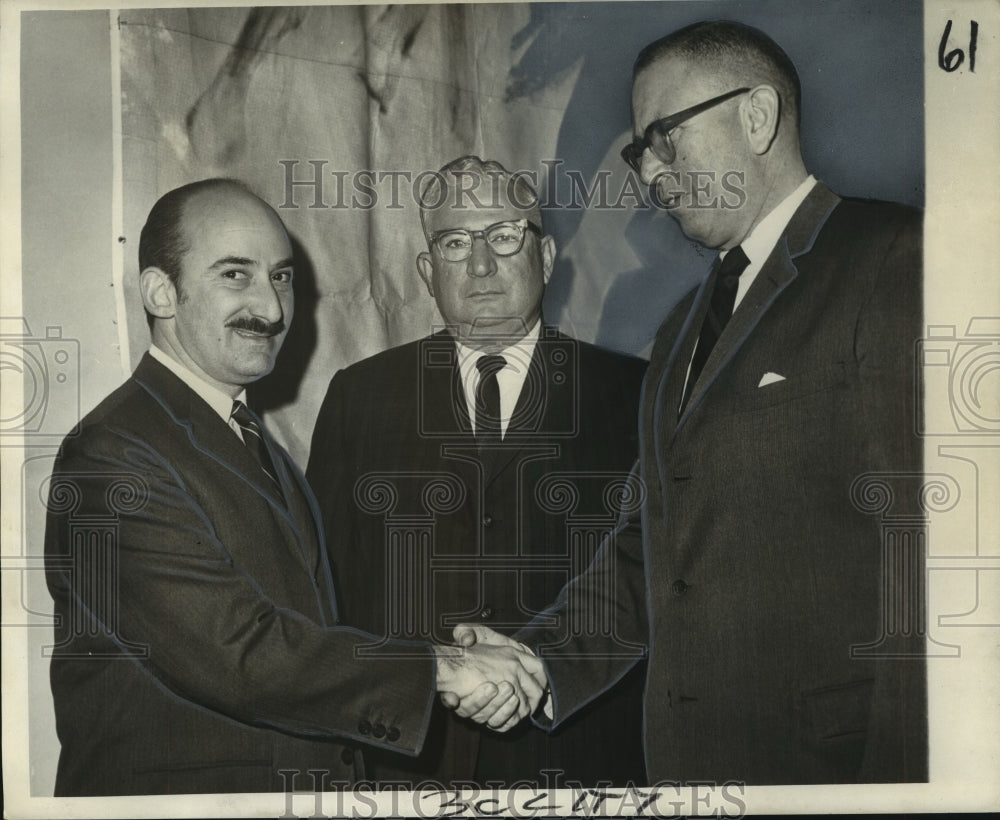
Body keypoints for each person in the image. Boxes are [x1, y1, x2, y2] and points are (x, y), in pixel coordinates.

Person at [456, 21, 926, 785]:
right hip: (689, 771)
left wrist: (918, 790)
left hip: (837, 774)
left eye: (667, 136)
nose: (651, 172)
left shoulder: (893, 259)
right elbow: (651, 545)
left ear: (758, 116)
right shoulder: (680, 329)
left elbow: (937, 554)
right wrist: (540, 663)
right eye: (641, 150)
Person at [43, 178, 545, 796]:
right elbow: (239, 653)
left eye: (280, 277)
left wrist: (443, 649)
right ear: (160, 292)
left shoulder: (244, 436)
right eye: (236, 275)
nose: (273, 308)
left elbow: (304, 628)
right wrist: (442, 669)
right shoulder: (115, 453)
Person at [306, 156, 647, 786]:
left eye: (505, 236)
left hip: (585, 760)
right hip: (408, 764)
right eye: (456, 243)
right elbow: (327, 590)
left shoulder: (634, 395)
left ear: (545, 259)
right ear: (427, 271)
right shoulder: (361, 397)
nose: (482, 264)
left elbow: (660, 580)